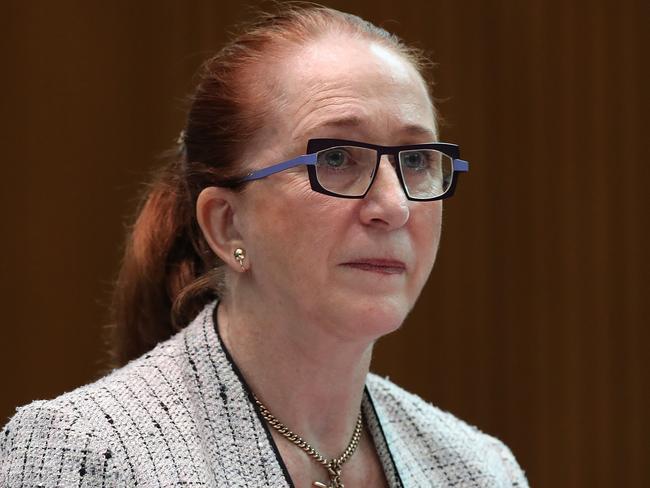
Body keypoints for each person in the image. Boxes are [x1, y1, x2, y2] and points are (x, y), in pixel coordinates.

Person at [0, 5, 528, 487]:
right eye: (337, 158)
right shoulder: (89, 453)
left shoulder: (479, 470)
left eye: (415, 160)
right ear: (227, 224)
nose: (394, 206)